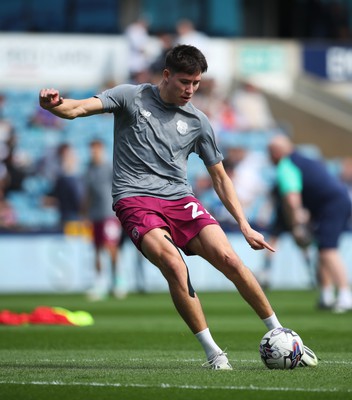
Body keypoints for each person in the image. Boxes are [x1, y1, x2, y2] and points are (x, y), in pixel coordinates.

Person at [39, 45, 316, 369]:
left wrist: (244, 223)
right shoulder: (130, 96)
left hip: (180, 200)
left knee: (229, 258)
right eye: (185, 81)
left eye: (196, 83)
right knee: (173, 264)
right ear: (167, 75)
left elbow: (221, 178)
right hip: (134, 199)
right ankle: (215, 354)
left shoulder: (198, 121)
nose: (191, 89)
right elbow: (77, 108)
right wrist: (54, 105)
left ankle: (282, 335)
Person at [268, 134, 352, 313]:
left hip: (331, 205)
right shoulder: (306, 160)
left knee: (328, 249)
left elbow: (292, 199)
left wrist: (297, 225)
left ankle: (346, 295)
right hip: (335, 202)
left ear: (276, 153)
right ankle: (327, 295)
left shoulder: (286, 166)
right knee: (323, 248)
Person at [83, 139, 127, 300]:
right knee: (96, 249)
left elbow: (119, 187)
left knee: (111, 247)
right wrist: (85, 214)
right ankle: (99, 282)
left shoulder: (109, 167)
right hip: (95, 214)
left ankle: (118, 281)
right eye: (91, 149)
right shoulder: (88, 169)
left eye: (96, 149)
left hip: (110, 214)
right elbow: (87, 193)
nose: (94, 152)